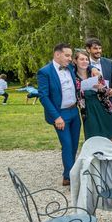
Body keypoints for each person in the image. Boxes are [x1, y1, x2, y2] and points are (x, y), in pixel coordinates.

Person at [38, 43, 81, 186]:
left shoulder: (70, 68)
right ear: (57, 54)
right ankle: (70, 177)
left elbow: (84, 66)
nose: (70, 58)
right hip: (60, 115)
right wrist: (57, 117)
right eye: (67, 55)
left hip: (74, 111)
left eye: (70, 55)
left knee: (74, 144)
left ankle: (70, 172)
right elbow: (43, 96)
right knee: (67, 144)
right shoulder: (45, 72)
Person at [73, 49, 112, 143]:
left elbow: (106, 91)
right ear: (75, 61)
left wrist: (101, 88)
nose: (85, 61)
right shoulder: (72, 76)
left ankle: (111, 157)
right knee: (94, 138)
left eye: (86, 59)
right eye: (81, 59)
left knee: (110, 136)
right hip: (89, 111)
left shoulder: (96, 73)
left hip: (105, 108)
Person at [85, 37, 112, 155]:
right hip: (93, 104)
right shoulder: (84, 64)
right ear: (88, 49)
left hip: (109, 102)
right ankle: (97, 155)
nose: (98, 51)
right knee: (96, 130)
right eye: (95, 48)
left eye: (100, 48)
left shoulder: (109, 62)